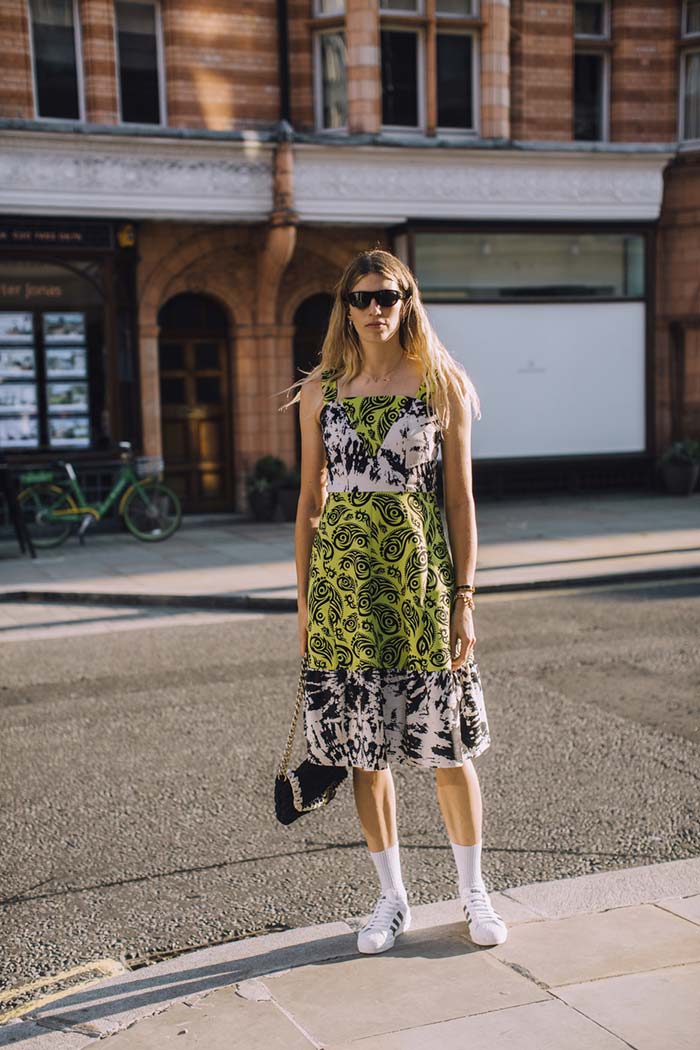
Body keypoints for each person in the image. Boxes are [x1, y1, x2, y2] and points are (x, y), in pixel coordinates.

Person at [291, 248, 507, 955]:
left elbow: (460, 500)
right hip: (345, 594)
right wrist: (303, 606)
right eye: (361, 298)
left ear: (408, 300)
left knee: (447, 748)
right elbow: (309, 505)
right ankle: (391, 898)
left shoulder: (440, 382)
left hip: (420, 584)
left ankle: (473, 891)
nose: (375, 309)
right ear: (344, 308)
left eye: (388, 295)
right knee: (364, 752)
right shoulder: (322, 389)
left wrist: (466, 599)